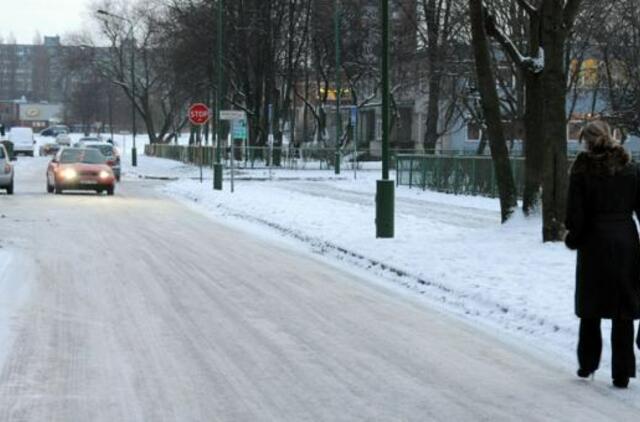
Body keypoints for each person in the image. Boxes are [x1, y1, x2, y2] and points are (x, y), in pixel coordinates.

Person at [564, 120, 640, 389]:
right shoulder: (629, 168)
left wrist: (573, 237)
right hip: (626, 242)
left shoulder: (582, 169)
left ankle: (588, 363)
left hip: (594, 242)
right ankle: (622, 372)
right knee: (623, 310)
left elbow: (575, 214)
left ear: (586, 140)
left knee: (591, 306)